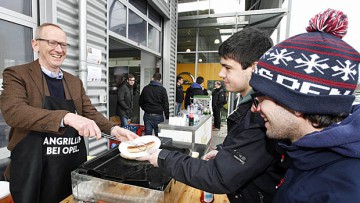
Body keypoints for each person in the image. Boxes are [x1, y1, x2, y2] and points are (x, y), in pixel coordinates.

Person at [138, 27, 288, 203]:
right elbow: (247, 152)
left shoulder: (260, 114)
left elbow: (218, 176)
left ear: (254, 68)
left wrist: (162, 157)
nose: (220, 74)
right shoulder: (250, 104)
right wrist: (225, 151)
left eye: (227, 67)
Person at [0, 23, 138, 203]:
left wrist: (113, 130)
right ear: (35, 44)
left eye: (63, 45)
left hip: (68, 167)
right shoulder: (17, 74)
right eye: (52, 43)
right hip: (32, 169)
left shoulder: (74, 82)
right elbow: (14, 112)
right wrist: (66, 116)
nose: (59, 49)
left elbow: (90, 113)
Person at [250, 9, 360, 202]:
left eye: (261, 96)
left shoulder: (343, 191)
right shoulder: (307, 155)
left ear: (298, 103)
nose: (256, 108)